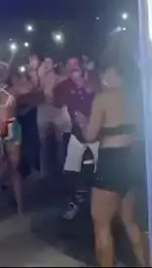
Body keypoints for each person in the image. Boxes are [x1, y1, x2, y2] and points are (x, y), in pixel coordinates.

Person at [76, 63, 148, 267]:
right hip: (132, 159)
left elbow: (90, 135)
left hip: (111, 161)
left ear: (116, 74)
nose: (102, 78)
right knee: (130, 220)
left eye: (106, 72)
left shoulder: (103, 98)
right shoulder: (135, 97)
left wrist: (82, 122)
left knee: (101, 224)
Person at [58, 65, 97, 220]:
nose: (77, 77)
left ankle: (94, 206)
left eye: (79, 74)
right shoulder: (72, 94)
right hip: (78, 136)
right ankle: (74, 203)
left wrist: (88, 121)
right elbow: (74, 116)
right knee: (71, 172)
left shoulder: (96, 93)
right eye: (74, 74)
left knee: (95, 172)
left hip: (95, 136)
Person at [0, 62, 24, 215]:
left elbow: (30, 88)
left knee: (15, 168)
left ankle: (20, 207)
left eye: (3, 68)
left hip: (12, 128)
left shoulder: (15, 89)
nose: (0, 71)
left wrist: (15, 75)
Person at [37, 56, 71, 177]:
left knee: (61, 144)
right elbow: (33, 96)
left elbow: (61, 100)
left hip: (60, 116)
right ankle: (44, 173)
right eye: (44, 62)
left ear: (54, 64)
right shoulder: (38, 80)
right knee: (44, 145)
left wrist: (49, 99)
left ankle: (64, 172)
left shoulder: (61, 79)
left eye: (48, 62)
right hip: (43, 115)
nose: (46, 65)